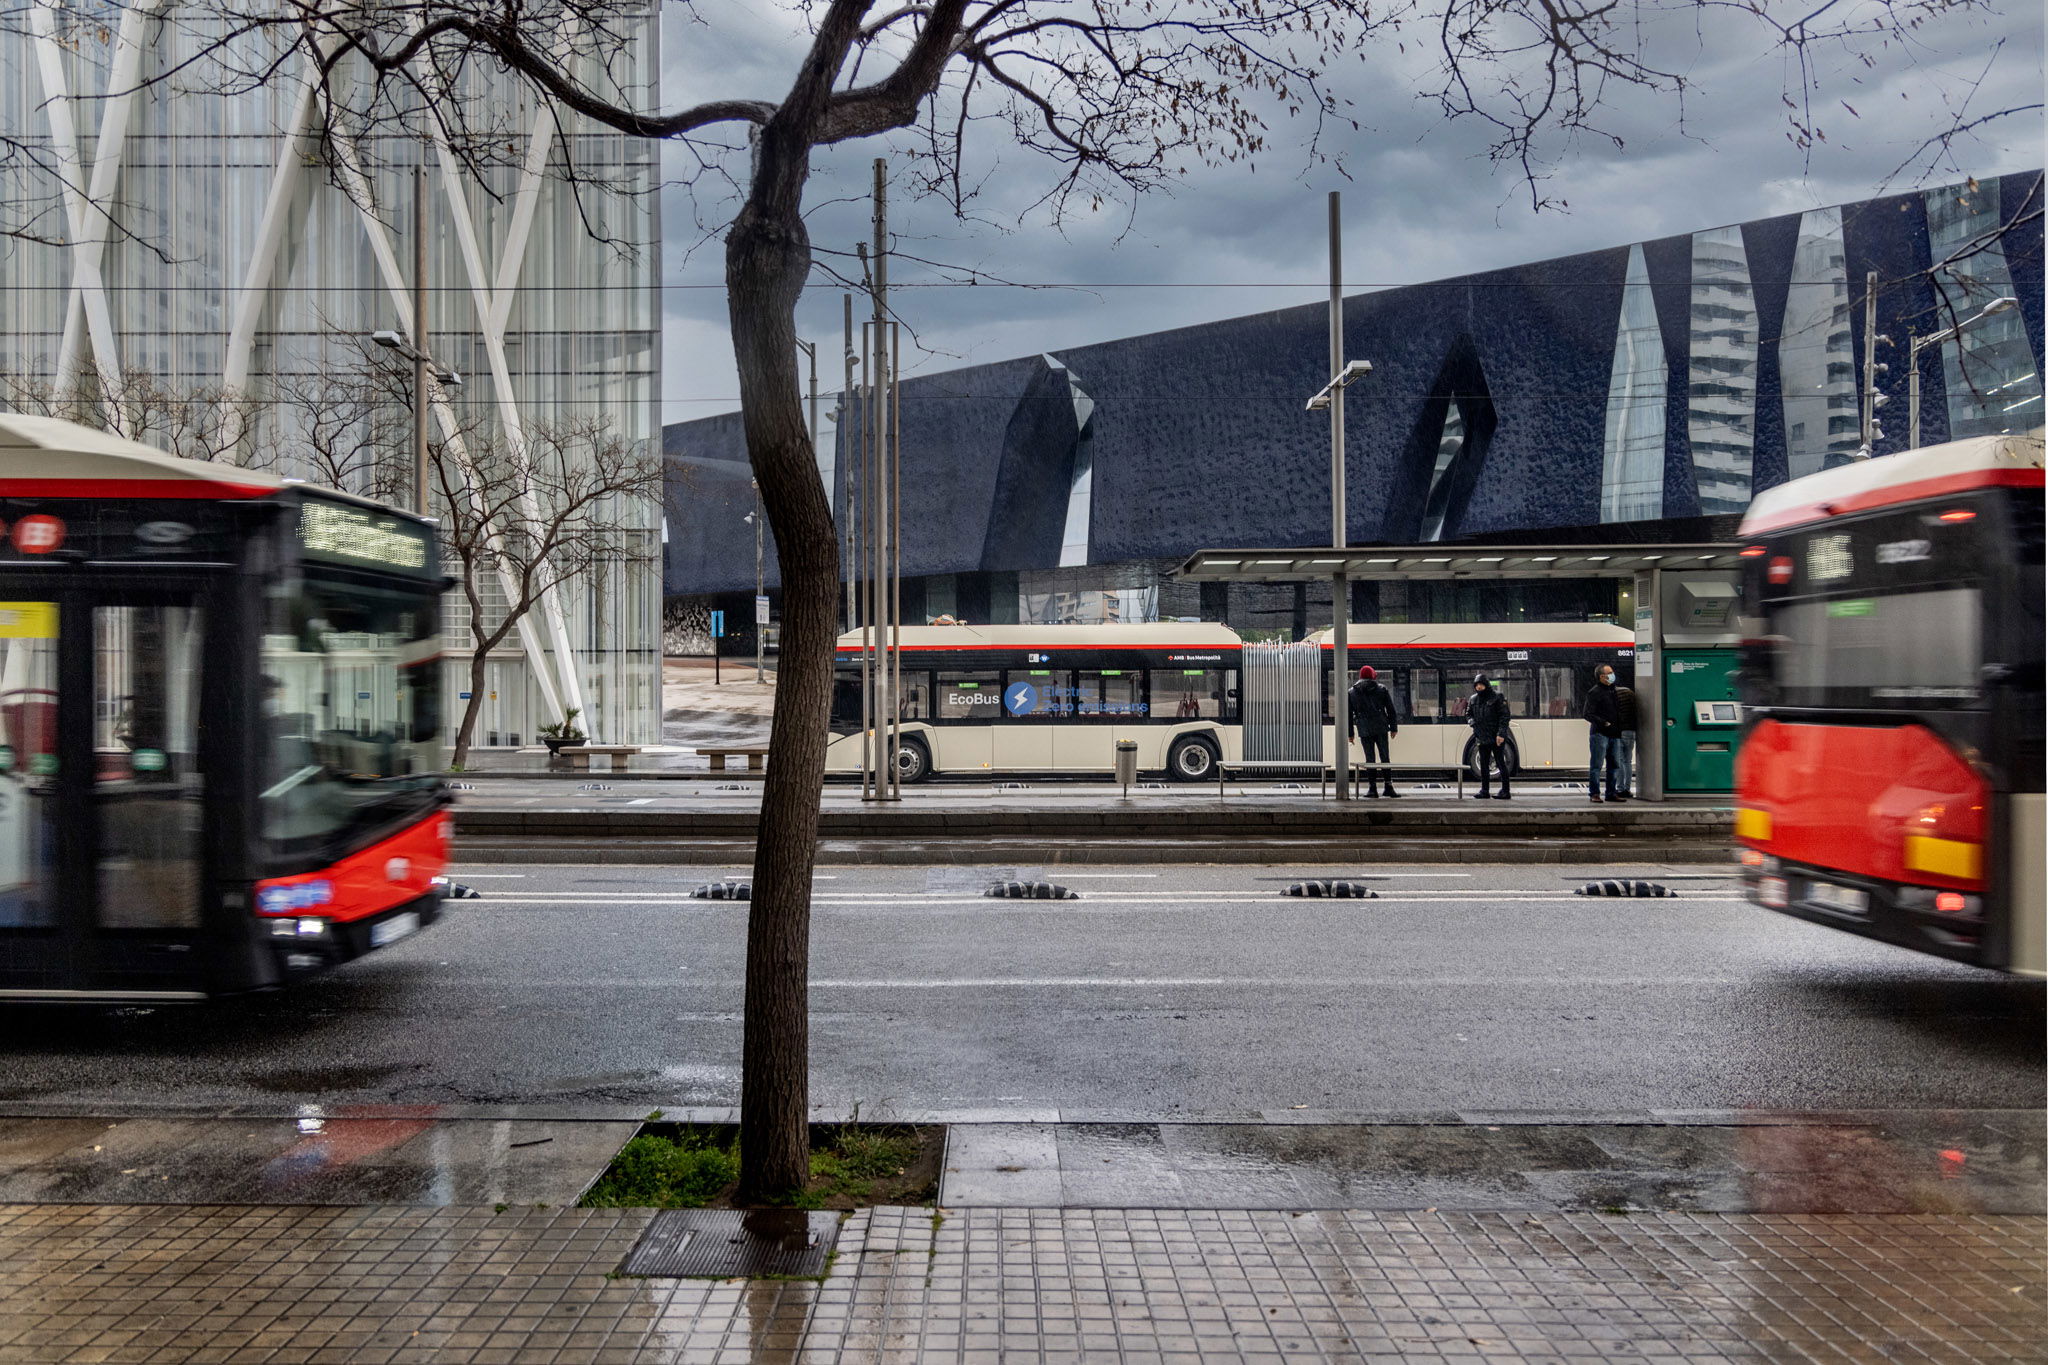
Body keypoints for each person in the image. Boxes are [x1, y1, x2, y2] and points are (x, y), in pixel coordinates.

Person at [1347, 664, 1401, 798]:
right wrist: (1393, 727)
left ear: (1360, 676)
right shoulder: (1382, 689)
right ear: (1373, 675)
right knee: (1385, 757)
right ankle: (1388, 786)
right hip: (1381, 726)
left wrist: (1350, 734)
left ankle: (1372, 788)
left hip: (1364, 728)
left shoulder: (1352, 692)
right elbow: (1391, 710)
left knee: (1370, 759)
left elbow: (1348, 715)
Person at [1467, 672, 1512, 799]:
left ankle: (1505, 791)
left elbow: (1505, 716)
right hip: (1481, 736)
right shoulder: (1473, 699)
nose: (1479, 687)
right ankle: (1484, 790)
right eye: (1477, 685)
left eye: (1481, 684)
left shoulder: (1497, 697)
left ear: (1486, 684)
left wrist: (1501, 734)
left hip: (1496, 737)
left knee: (1500, 763)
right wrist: (1471, 722)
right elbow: (1468, 713)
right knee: (1484, 764)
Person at [1583, 663, 1622, 803]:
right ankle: (1594, 793)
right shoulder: (1594, 692)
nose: (1613, 675)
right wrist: (1604, 722)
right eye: (1610, 673)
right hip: (1600, 734)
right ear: (1602, 677)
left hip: (1615, 734)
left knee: (1614, 765)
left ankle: (1611, 792)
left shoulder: (1613, 691)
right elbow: (1587, 714)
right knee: (1596, 765)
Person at [1609, 677, 1638, 802]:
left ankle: (1620, 789)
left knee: (1619, 761)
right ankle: (1627, 788)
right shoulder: (1630, 694)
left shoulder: (1614, 695)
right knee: (1628, 761)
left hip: (1619, 731)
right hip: (1631, 731)